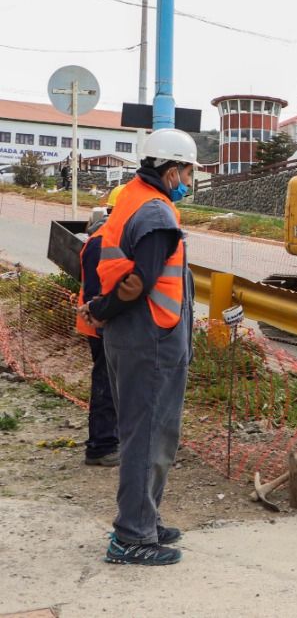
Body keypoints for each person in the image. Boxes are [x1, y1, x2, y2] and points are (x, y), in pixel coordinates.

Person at [78, 130, 199, 567]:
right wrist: (102, 308)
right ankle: (131, 537)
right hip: (149, 338)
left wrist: (101, 311)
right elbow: (138, 281)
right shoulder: (156, 215)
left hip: (137, 335)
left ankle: (145, 517)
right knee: (147, 434)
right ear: (171, 171)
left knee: (152, 432)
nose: (189, 179)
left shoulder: (131, 198)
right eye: (187, 171)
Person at [75, 186, 129, 467]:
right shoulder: (102, 240)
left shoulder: (109, 236)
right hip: (99, 325)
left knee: (112, 383)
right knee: (106, 383)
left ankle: (109, 439)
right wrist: (103, 321)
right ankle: (101, 444)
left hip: (102, 323)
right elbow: (98, 292)